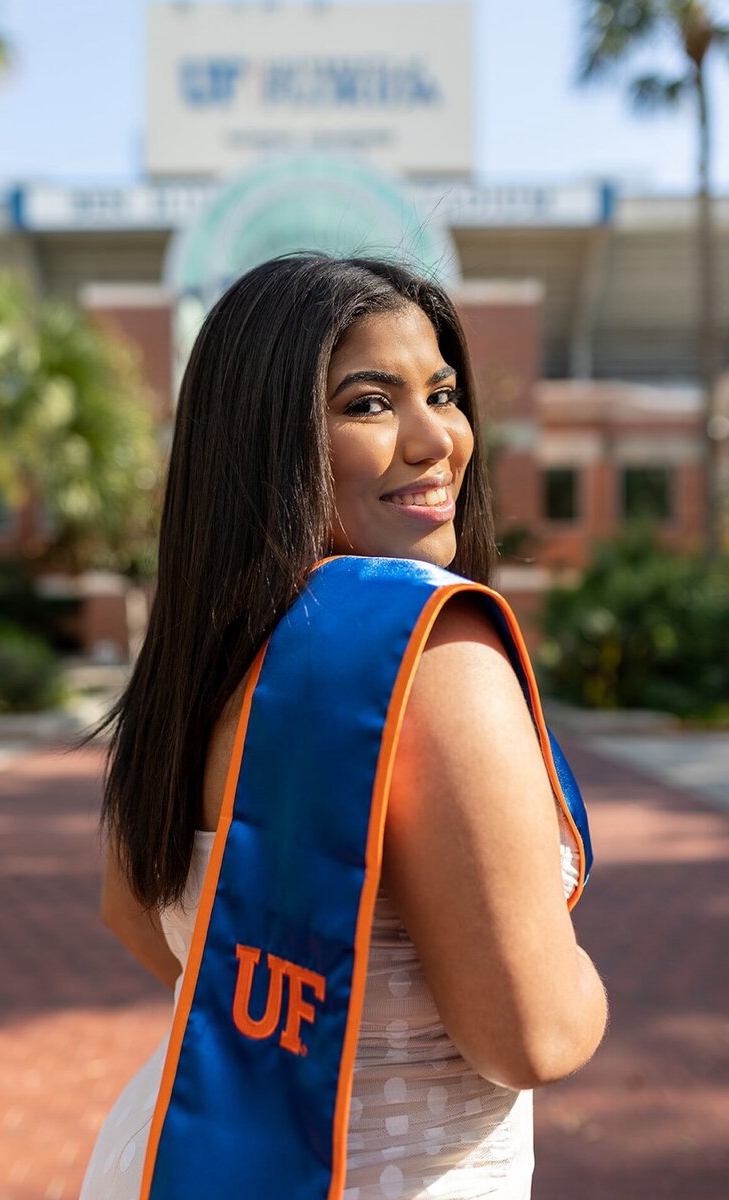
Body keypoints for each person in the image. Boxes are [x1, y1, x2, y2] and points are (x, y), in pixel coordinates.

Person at [79, 254, 607, 1200]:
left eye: (442, 393)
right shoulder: (422, 650)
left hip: (178, 1159)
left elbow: (138, 916)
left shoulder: (203, 651)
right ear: (266, 439)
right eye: (369, 404)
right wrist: (587, 984)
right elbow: (532, 1034)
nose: (434, 440)